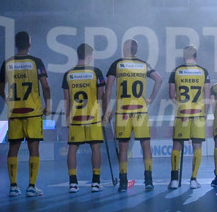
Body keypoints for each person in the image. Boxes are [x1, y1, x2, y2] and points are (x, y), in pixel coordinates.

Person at [0, 30, 51, 197]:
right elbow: (46, 86)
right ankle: (31, 186)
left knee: (13, 148)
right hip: (33, 112)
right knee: (33, 148)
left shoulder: (7, 63)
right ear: (29, 44)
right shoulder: (36, 62)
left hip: (15, 112)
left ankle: (13, 187)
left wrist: (9, 101)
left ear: (16, 44)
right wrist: (47, 106)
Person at [104, 39, 162, 191]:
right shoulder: (144, 65)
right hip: (140, 111)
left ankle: (123, 182)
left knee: (123, 146)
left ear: (125, 49)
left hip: (123, 111)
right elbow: (159, 79)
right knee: (145, 145)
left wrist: (107, 109)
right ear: (136, 50)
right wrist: (150, 99)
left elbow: (108, 88)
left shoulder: (117, 64)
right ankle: (148, 180)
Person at [62, 43, 106, 193]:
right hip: (93, 117)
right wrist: (106, 112)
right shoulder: (96, 72)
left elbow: (66, 99)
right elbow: (101, 95)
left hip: (76, 117)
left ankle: (73, 183)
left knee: (73, 148)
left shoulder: (68, 74)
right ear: (88, 55)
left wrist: (67, 118)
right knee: (96, 148)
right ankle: (96, 183)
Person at [168, 45, 210, 189]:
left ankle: (174, 180)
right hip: (198, 113)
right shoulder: (203, 72)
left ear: (183, 56)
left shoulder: (176, 71)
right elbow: (207, 96)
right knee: (197, 146)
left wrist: (180, 105)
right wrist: (205, 113)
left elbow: (171, 95)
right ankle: (193, 180)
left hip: (182, 113)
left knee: (177, 145)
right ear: (196, 56)